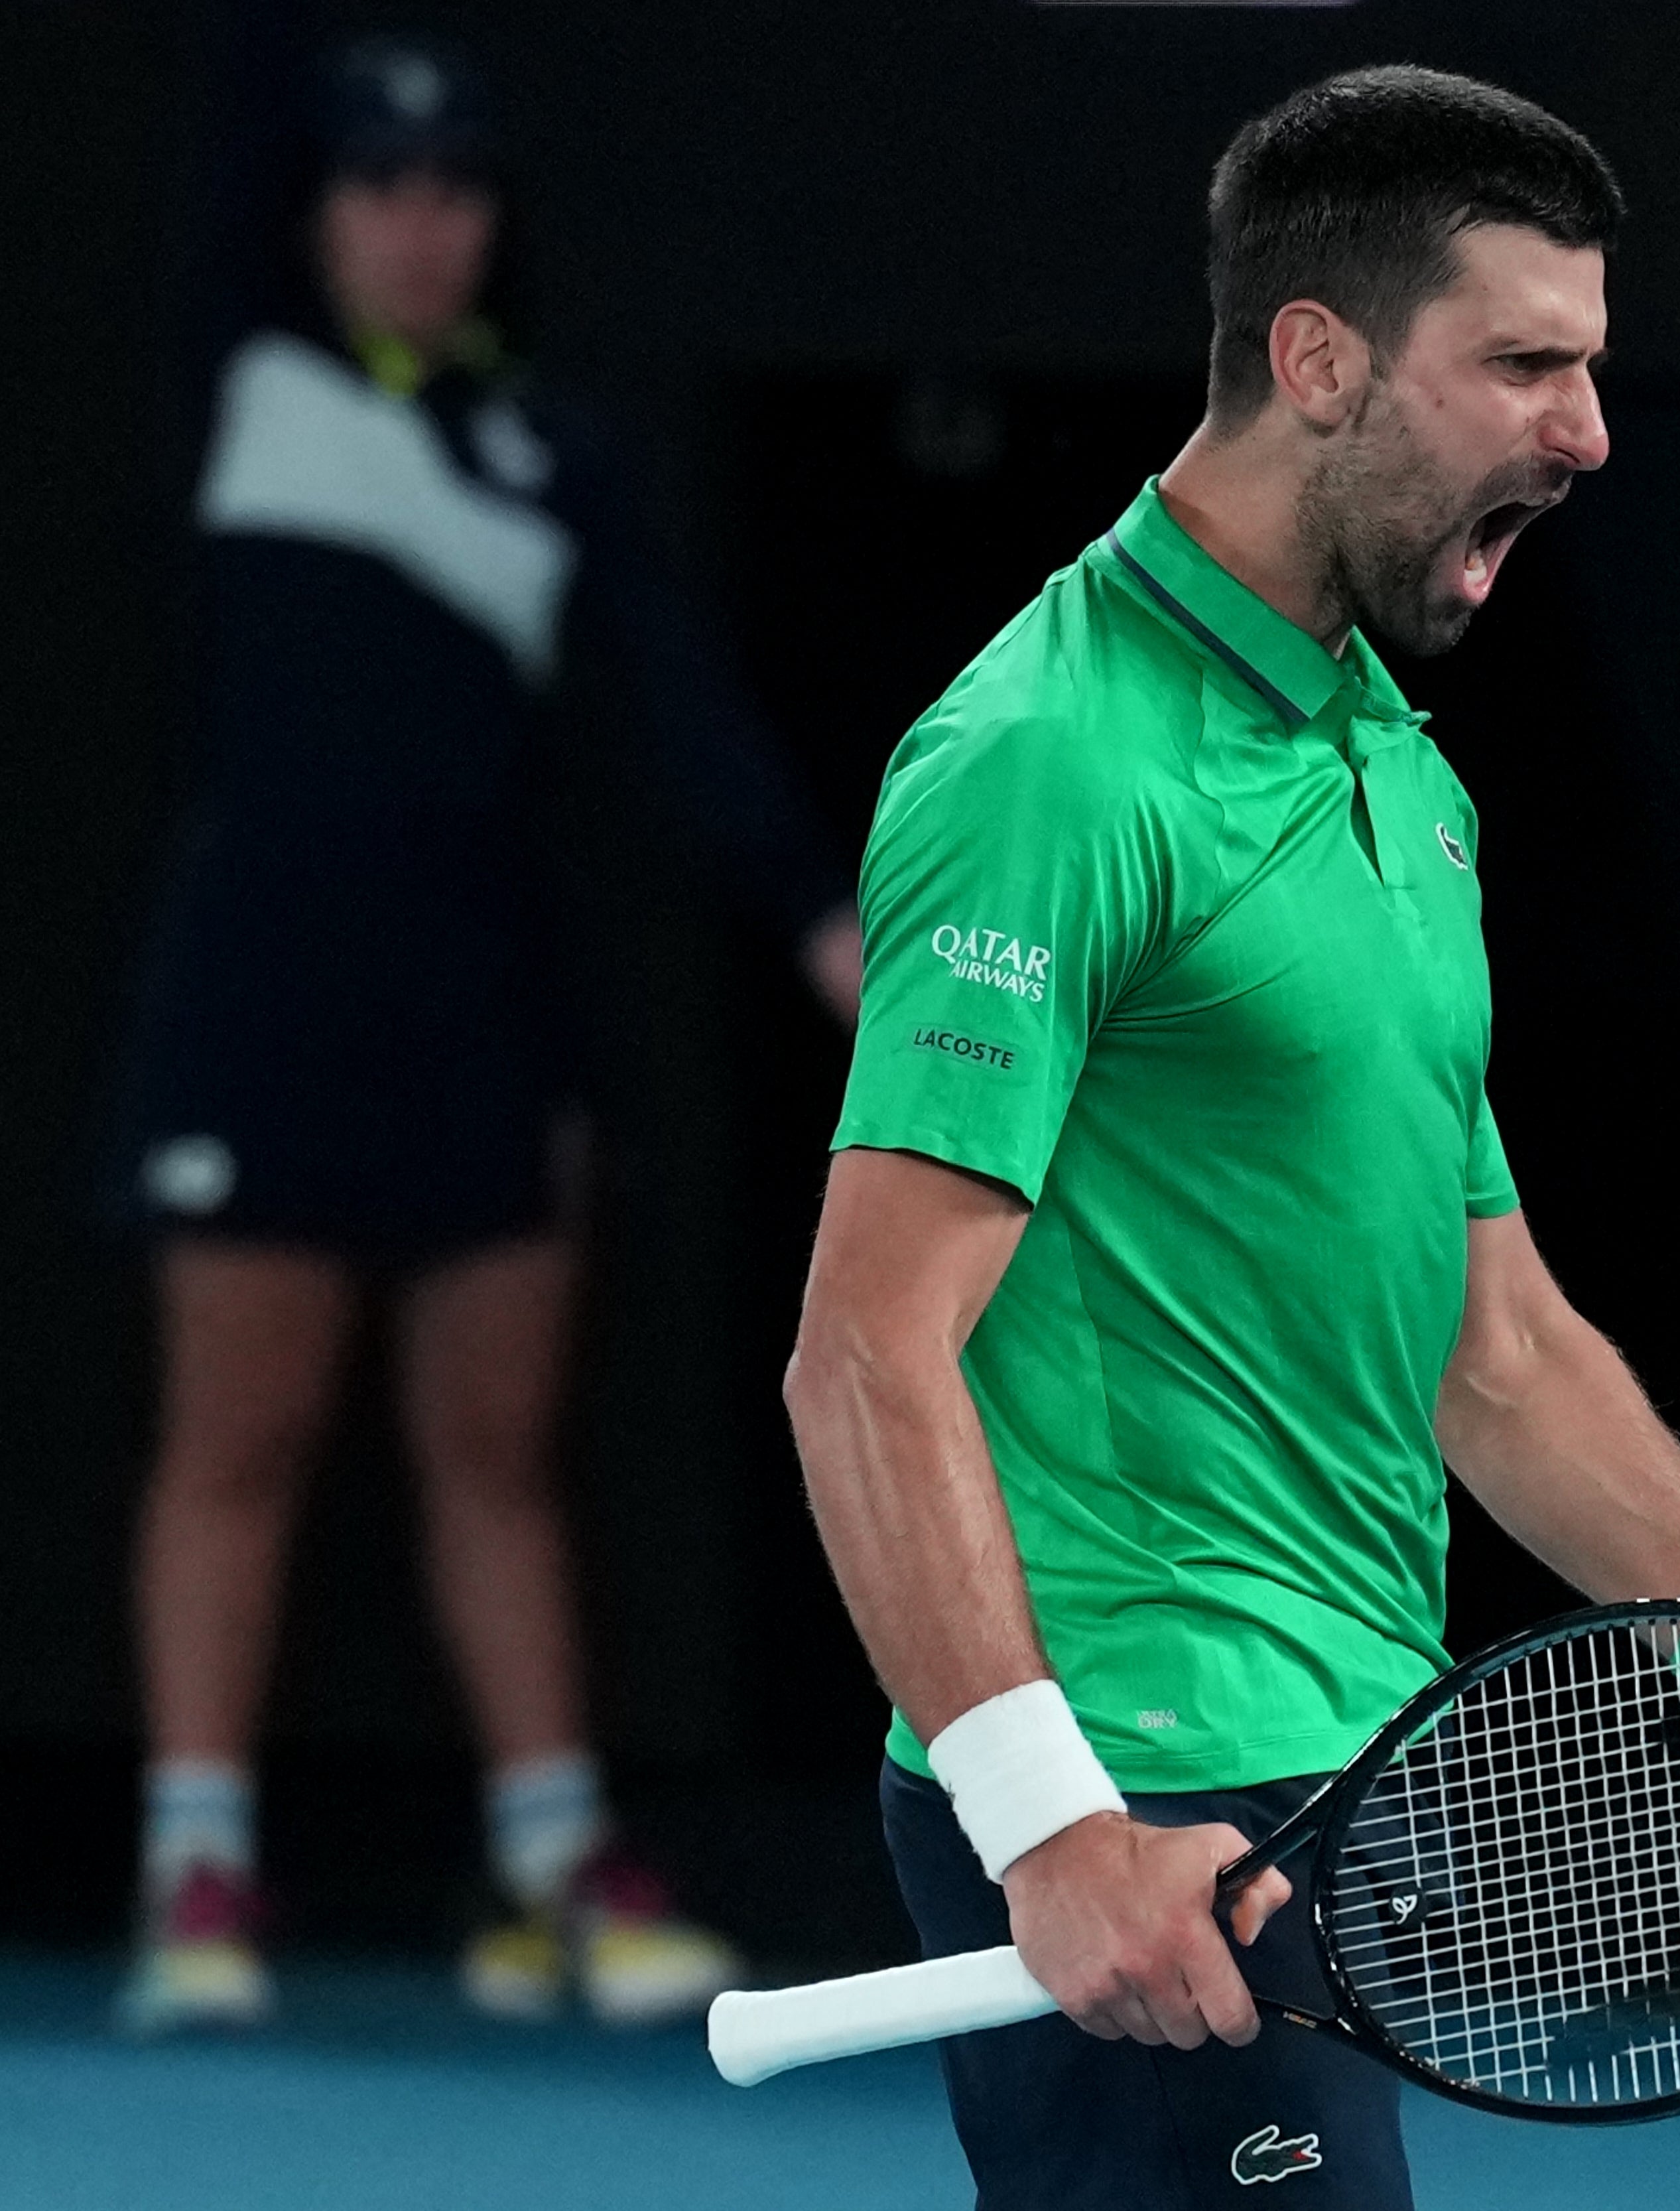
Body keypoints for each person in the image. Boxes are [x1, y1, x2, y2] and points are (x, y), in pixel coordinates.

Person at [785, 66, 1680, 2209]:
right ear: (1317, 358)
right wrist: (1047, 1823)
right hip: (1141, 1785)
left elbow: (1500, 1351)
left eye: (1592, 366)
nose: (1589, 432)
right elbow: (865, 1357)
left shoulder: (1406, 774)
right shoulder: (1048, 765)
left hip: (1325, 1768)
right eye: (1525, 363)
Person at [112, 15, 860, 2035]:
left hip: (481, 1007)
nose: (421, 227)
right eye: (380, 188)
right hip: (258, 1004)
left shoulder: (557, 457)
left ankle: (551, 1870)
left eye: (454, 192)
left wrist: (821, 919)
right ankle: (199, 1868)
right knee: (237, 1441)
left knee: (500, 1453)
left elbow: (681, 710)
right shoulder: (239, 383)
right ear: (318, 215)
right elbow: (232, 120)